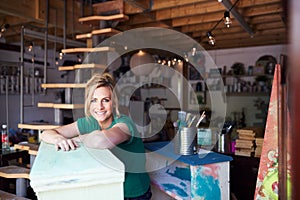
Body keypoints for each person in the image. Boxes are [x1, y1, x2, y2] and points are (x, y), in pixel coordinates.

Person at [41, 73, 152, 200]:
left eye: (105, 100)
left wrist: (76, 139)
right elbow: (46, 133)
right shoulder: (89, 122)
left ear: (114, 102)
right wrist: (59, 139)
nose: (99, 107)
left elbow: (101, 141)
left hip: (133, 193)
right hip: (107, 187)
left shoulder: (124, 124)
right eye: (94, 100)